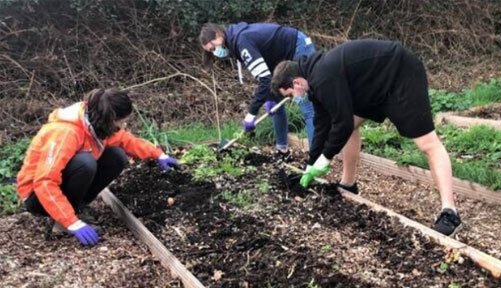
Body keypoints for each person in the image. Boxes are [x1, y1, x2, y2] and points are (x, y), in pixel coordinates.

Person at [271, 39, 462, 236]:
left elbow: (341, 122)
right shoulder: (313, 79)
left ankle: (450, 212)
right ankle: (348, 184)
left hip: (400, 72)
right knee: (351, 126)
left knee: (427, 143)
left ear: (296, 82)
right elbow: (322, 123)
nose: (295, 99)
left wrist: (326, 157)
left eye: (291, 95)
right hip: (374, 86)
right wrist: (311, 163)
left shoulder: (322, 76)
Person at [16, 89, 179, 246]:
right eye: (121, 121)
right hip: (37, 197)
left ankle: (77, 207)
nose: (123, 125)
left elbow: (126, 140)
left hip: (54, 187)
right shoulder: (65, 133)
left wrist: (158, 154)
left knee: (117, 156)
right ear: (109, 119)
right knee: (85, 163)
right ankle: (63, 221)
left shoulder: (95, 121)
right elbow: (45, 182)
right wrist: (72, 223)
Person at [199, 22, 316, 160]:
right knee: (274, 104)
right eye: (211, 51)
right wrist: (269, 98)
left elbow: (264, 78)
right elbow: (265, 74)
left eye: (213, 47)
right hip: (276, 60)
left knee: (307, 106)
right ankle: (282, 152)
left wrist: (252, 113)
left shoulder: (242, 41)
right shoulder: (234, 42)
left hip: (297, 47)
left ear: (218, 35)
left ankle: (314, 159)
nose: (215, 52)